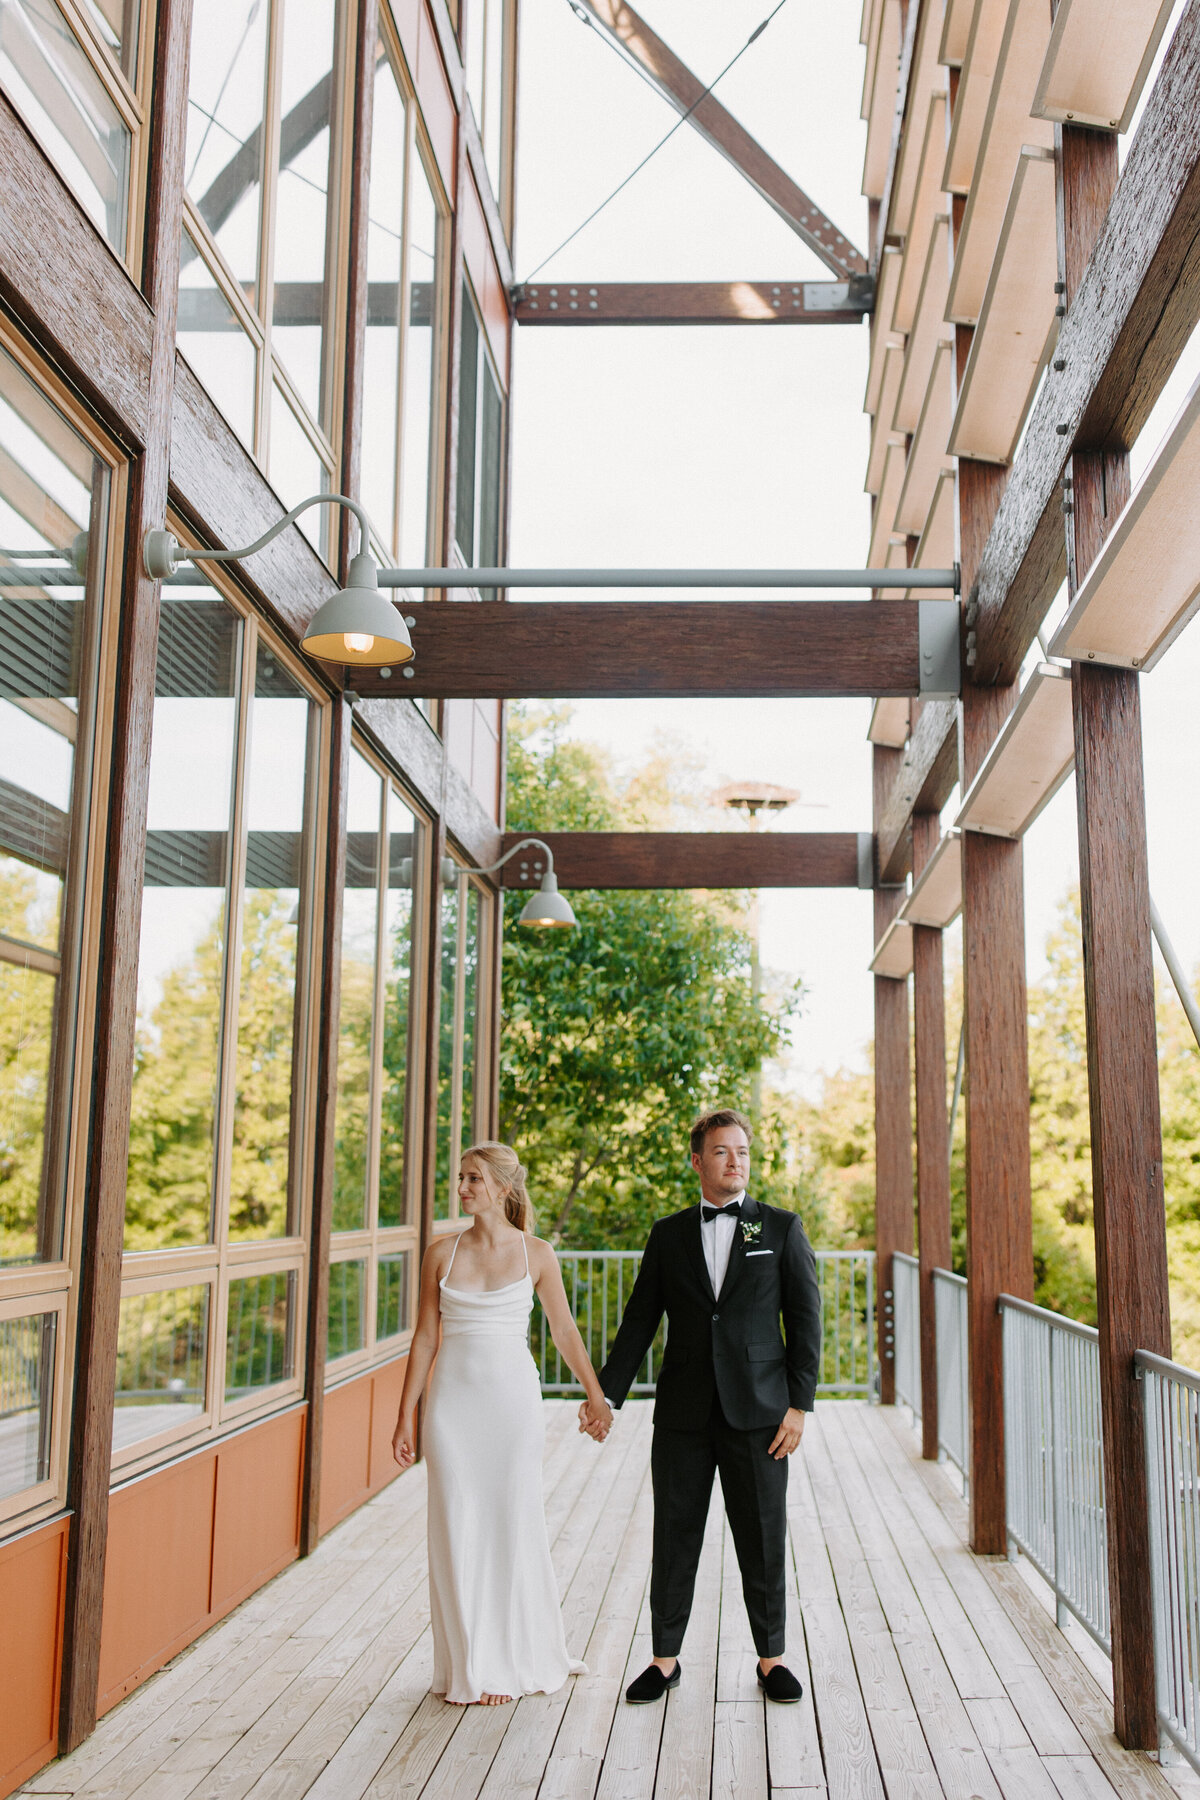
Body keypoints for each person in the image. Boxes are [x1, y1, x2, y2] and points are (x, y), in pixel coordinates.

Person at [588, 1107, 822, 1706]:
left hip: (761, 1416)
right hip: (684, 1417)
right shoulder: (668, 1235)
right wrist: (606, 1394)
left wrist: (799, 1406)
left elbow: (805, 1321)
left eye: (741, 1151)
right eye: (721, 1151)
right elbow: (640, 1318)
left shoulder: (780, 1228)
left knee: (763, 1538)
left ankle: (772, 1659)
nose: (734, 1161)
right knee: (674, 1535)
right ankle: (664, 1660)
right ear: (698, 1161)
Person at [392, 1142, 613, 1706]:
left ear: (504, 1188)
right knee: (455, 1525)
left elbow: (564, 1331)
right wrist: (406, 1416)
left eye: (473, 1179)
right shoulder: (440, 1254)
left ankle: (510, 1657)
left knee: (511, 1523)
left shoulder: (538, 1254)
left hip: (513, 1407)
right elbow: (424, 1338)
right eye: (461, 1178)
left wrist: (596, 1396)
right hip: (451, 1409)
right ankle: (470, 1664)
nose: (463, 1188)